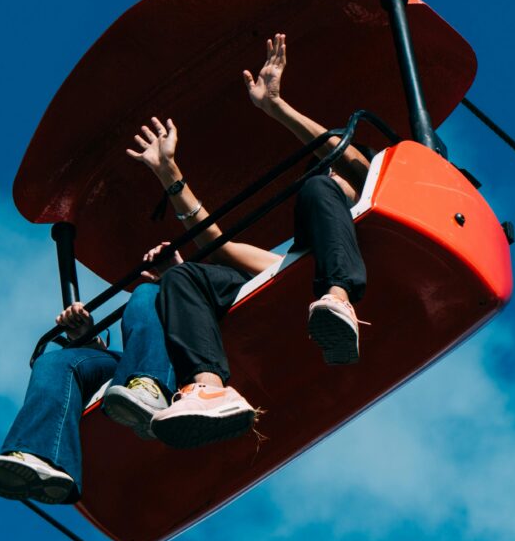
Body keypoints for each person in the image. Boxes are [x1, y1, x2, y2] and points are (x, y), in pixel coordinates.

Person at [129, 33, 372, 449]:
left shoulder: (366, 198)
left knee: (315, 187)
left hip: (342, 278)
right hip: (299, 288)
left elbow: (354, 168)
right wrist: (168, 174)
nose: (334, 177)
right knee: (183, 276)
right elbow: (221, 247)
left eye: (339, 176)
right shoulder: (290, 262)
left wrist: (276, 106)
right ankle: (209, 388)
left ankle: (338, 299)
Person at [0, 244, 179, 505]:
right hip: (134, 360)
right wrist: (86, 338)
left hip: (182, 344)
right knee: (53, 362)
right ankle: (42, 455)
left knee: (145, 293)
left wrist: (179, 278)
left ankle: (154, 387)